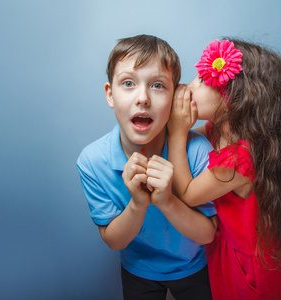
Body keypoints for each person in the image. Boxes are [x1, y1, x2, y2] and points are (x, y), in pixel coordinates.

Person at [167, 39, 281, 299]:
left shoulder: (239, 160)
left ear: (234, 99)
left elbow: (186, 193)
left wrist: (176, 133)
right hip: (234, 253)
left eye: (203, 81)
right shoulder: (218, 131)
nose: (189, 86)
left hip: (252, 272)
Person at [77, 34, 217, 300]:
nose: (142, 98)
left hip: (194, 267)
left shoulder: (198, 151)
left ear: (175, 97)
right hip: (138, 270)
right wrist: (138, 204)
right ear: (110, 94)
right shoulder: (92, 161)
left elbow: (208, 235)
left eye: (157, 85)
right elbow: (114, 241)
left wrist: (167, 202)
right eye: (128, 83)